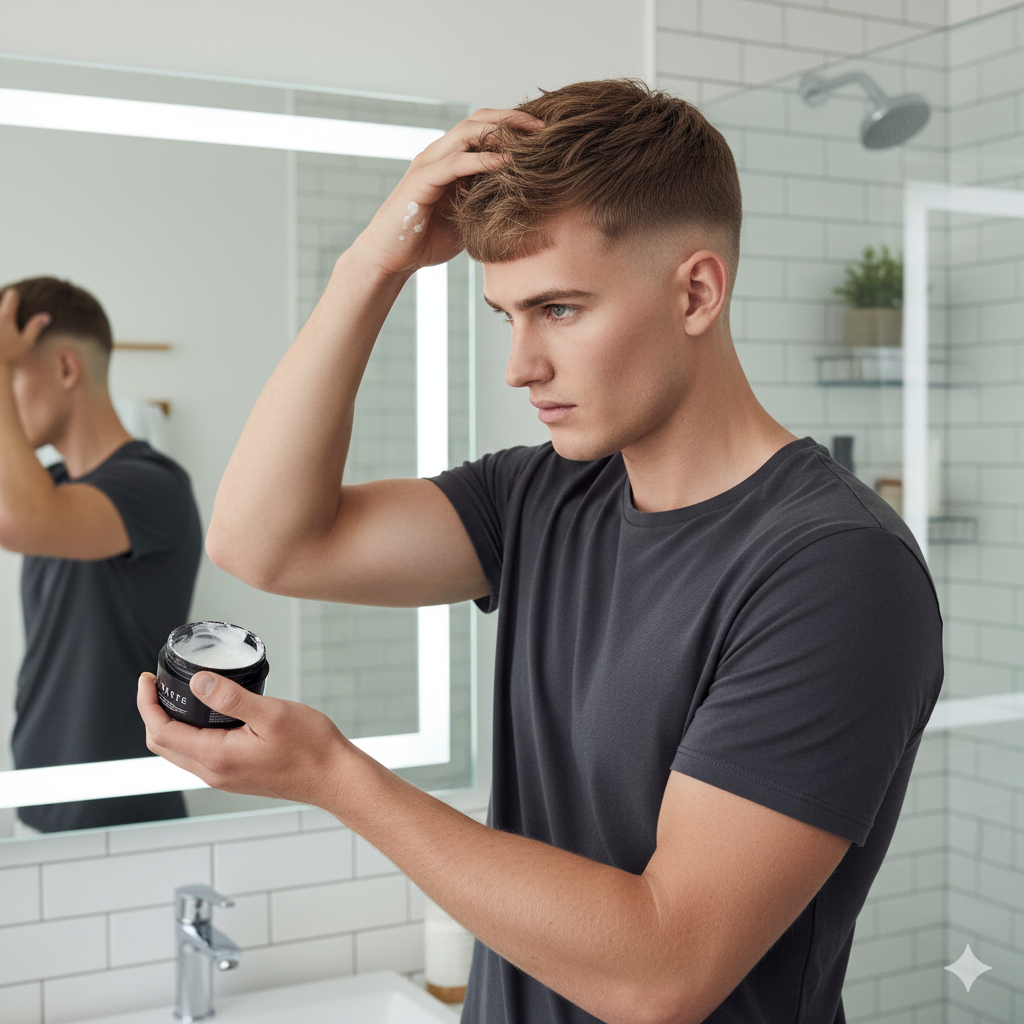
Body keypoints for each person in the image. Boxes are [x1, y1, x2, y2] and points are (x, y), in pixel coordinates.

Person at [139, 80, 943, 1023]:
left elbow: (663, 970)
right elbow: (264, 540)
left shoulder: (836, 569)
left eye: (559, 309)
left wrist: (335, 778)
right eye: (507, 316)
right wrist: (375, 263)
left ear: (696, 291)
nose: (521, 364)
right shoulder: (543, 495)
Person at [1, 277, 202, 833]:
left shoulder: (153, 485)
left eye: (9, 370)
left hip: (118, 812)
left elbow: (19, 521)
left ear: (65, 369)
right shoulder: (54, 485)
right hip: (39, 802)